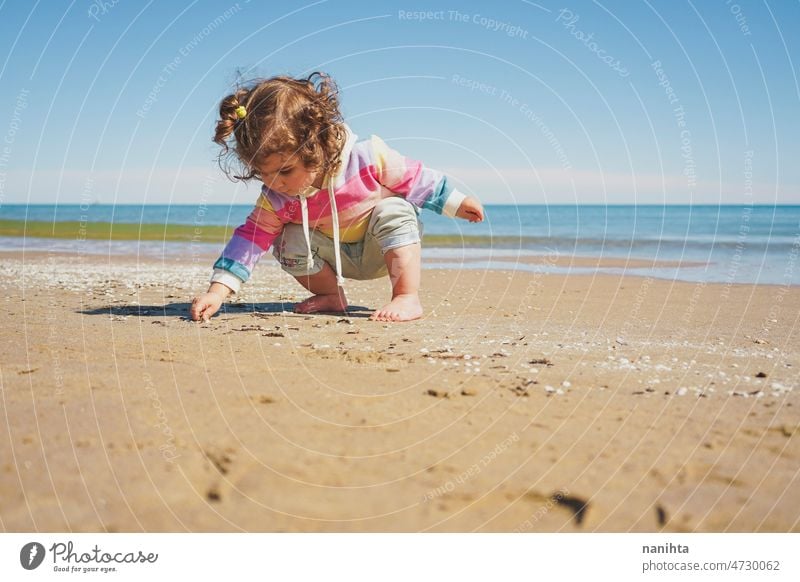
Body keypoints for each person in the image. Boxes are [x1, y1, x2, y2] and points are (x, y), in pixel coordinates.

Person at [190, 72, 484, 323]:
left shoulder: (367, 158)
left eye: (285, 171)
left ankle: (406, 296)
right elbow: (250, 240)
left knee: (394, 208)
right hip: (331, 259)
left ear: (315, 144)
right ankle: (331, 295)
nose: (274, 183)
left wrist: (456, 202)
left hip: (382, 249)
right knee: (285, 238)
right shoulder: (277, 198)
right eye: (262, 173)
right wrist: (217, 291)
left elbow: (414, 177)